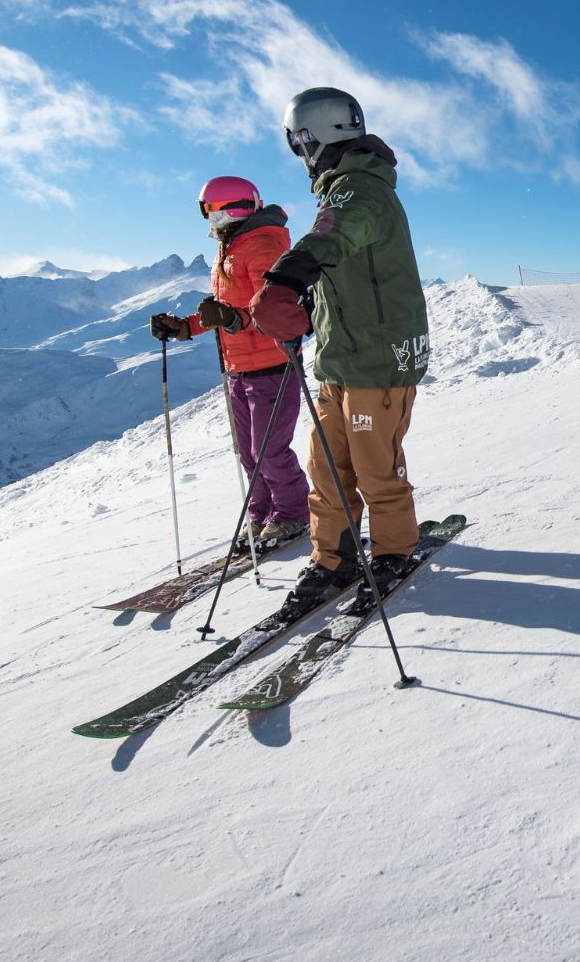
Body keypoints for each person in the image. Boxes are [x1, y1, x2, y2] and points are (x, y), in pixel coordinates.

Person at [248, 87, 430, 620]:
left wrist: (287, 277)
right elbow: (343, 261)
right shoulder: (343, 190)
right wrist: (307, 296)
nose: (298, 153)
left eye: (295, 142)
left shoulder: (359, 190)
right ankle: (335, 557)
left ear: (311, 137)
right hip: (339, 361)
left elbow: (333, 236)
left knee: (376, 469)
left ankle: (393, 551)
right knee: (327, 470)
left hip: (378, 361)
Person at [150, 176, 309, 548]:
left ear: (226, 210)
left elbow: (274, 306)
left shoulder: (262, 247)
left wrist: (234, 320)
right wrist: (185, 327)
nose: (207, 219)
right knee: (249, 452)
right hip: (238, 368)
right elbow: (222, 310)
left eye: (209, 210)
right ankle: (263, 513)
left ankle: (292, 514)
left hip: (273, 366)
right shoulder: (232, 248)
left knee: (270, 451)